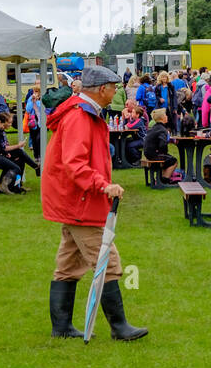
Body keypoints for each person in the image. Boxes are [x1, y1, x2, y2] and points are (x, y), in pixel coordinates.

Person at [42, 65, 145, 342]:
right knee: (107, 261)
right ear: (102, 89)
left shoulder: (83, 113)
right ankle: (119, 327)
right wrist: (103, 185)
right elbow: (75, 164)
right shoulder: (79, 117)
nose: (116, 92)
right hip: (81, 202)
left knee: (69, 263)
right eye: (114, 87)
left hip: (75, 200)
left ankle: (61, 326)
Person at [0, 111, 41, 194]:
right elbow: (2, 148)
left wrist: (5, 153)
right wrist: (16, 146)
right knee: (16, 167)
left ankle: (16, 185)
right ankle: (3, 187)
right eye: (9, 123)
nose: (10, 125)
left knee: (20, 157)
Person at [143, 108, 179, 183]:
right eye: (165, 115)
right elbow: (162, 145)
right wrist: (164, 153)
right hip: (154, 154)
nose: (167, 116)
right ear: (162, 118)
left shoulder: (154, 127)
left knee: (166, 159)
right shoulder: (163, 129)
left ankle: (161, 178)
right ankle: (164, 179)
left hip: (148, 153)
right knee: (174, 161)